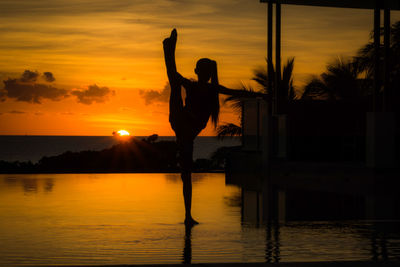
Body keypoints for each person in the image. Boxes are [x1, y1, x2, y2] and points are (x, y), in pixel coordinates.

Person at [163, 28, 265, 225]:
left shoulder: (208, 88)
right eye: (204, 72)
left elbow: (234, 91)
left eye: (206, 72)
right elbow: (233, 91)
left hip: (184, 127)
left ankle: (187, 215)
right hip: (182, 122)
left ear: (205, 73)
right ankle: (169, 48)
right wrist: (257, 95)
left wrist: (257, 95)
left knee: (187, 175)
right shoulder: (200, 87)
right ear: (200, 73)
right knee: (175, 81)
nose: (205, 75)